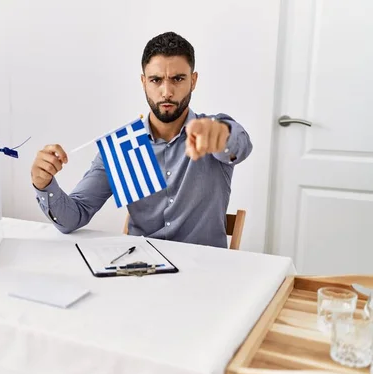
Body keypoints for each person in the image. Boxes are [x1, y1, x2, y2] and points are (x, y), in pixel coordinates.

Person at [30, 31, 253, 248]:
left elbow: (238, 145)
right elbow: (73, 217)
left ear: (193, 81)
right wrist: (44, 184)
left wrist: (221, 135)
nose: (167, 92)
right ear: (144, 82)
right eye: (156, 80)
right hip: (141, 269)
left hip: (205, 271)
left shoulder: (211, 130)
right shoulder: (123, 145)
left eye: (178, 79)